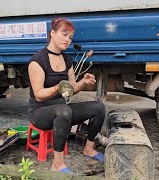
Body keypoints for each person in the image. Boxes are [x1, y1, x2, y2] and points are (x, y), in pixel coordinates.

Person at [28, 17, 106, 173]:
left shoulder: (67, 59)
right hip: (40, 112)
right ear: (52, 33)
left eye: (70, 37)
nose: (67, 40)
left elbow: (71, 89)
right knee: (63, 111)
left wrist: (83, 81)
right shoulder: (37, 61)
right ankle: (57, 163)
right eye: (64, 34)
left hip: (62, 110)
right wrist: (57, 88)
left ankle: (89, 148)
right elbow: (38, 95)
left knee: (98, 107)